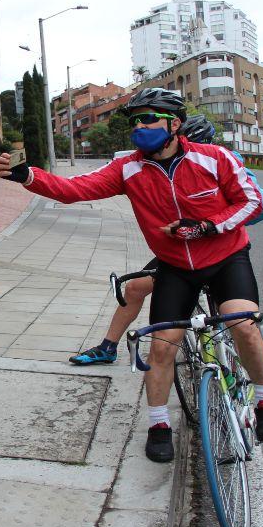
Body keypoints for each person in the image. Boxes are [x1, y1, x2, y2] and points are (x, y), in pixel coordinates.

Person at [0, 88, 263, 463]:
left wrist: (206, 227)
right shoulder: (128, 168)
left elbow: (249, 201)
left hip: (225, 257)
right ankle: (158, 426)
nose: (141, 126)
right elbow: (73, 190)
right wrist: (28, 176)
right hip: (175, 267)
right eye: (135, 121)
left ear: (174, 124)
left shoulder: (214, 158)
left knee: (244, 325)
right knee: (162, 347)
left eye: (149, 118)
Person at [69, 114, 218, 366]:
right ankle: (108, 347)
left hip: (215, 249)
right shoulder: (156, 164)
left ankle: (223, 362)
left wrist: (217, 224)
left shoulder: (218, 162)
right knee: (134, 288)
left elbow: (261, 206)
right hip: (174, 251)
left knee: (231, 311)